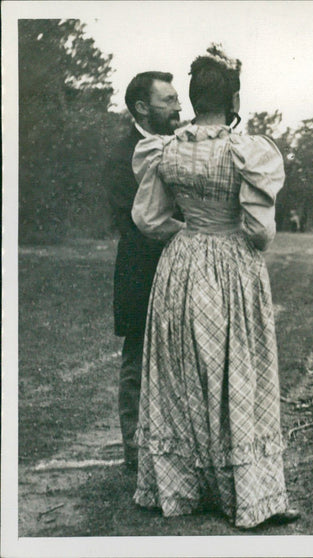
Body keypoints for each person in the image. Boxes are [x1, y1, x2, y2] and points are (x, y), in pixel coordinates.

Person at [130, 45, 299, 529]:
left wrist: (186, 236)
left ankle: (183, 486)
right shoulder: (246, 151)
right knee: (235, 369)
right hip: (230, 262)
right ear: (233, 99)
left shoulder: (166, 148)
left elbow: (149, 218)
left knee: (185, 370)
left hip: (181, 263)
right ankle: (243, 491)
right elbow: (259, 231)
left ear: (192, 96)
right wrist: (224, 235)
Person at [104, 71, 182, 471]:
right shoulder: (122, 155)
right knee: (137, 360)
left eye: (177, 99)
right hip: (141, 272)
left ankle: (173, 445)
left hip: (181, 266)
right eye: (167, 100)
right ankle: (135, 452)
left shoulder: (179, 146)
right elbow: (134, 222)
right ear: (141, 107)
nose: (178, 106)